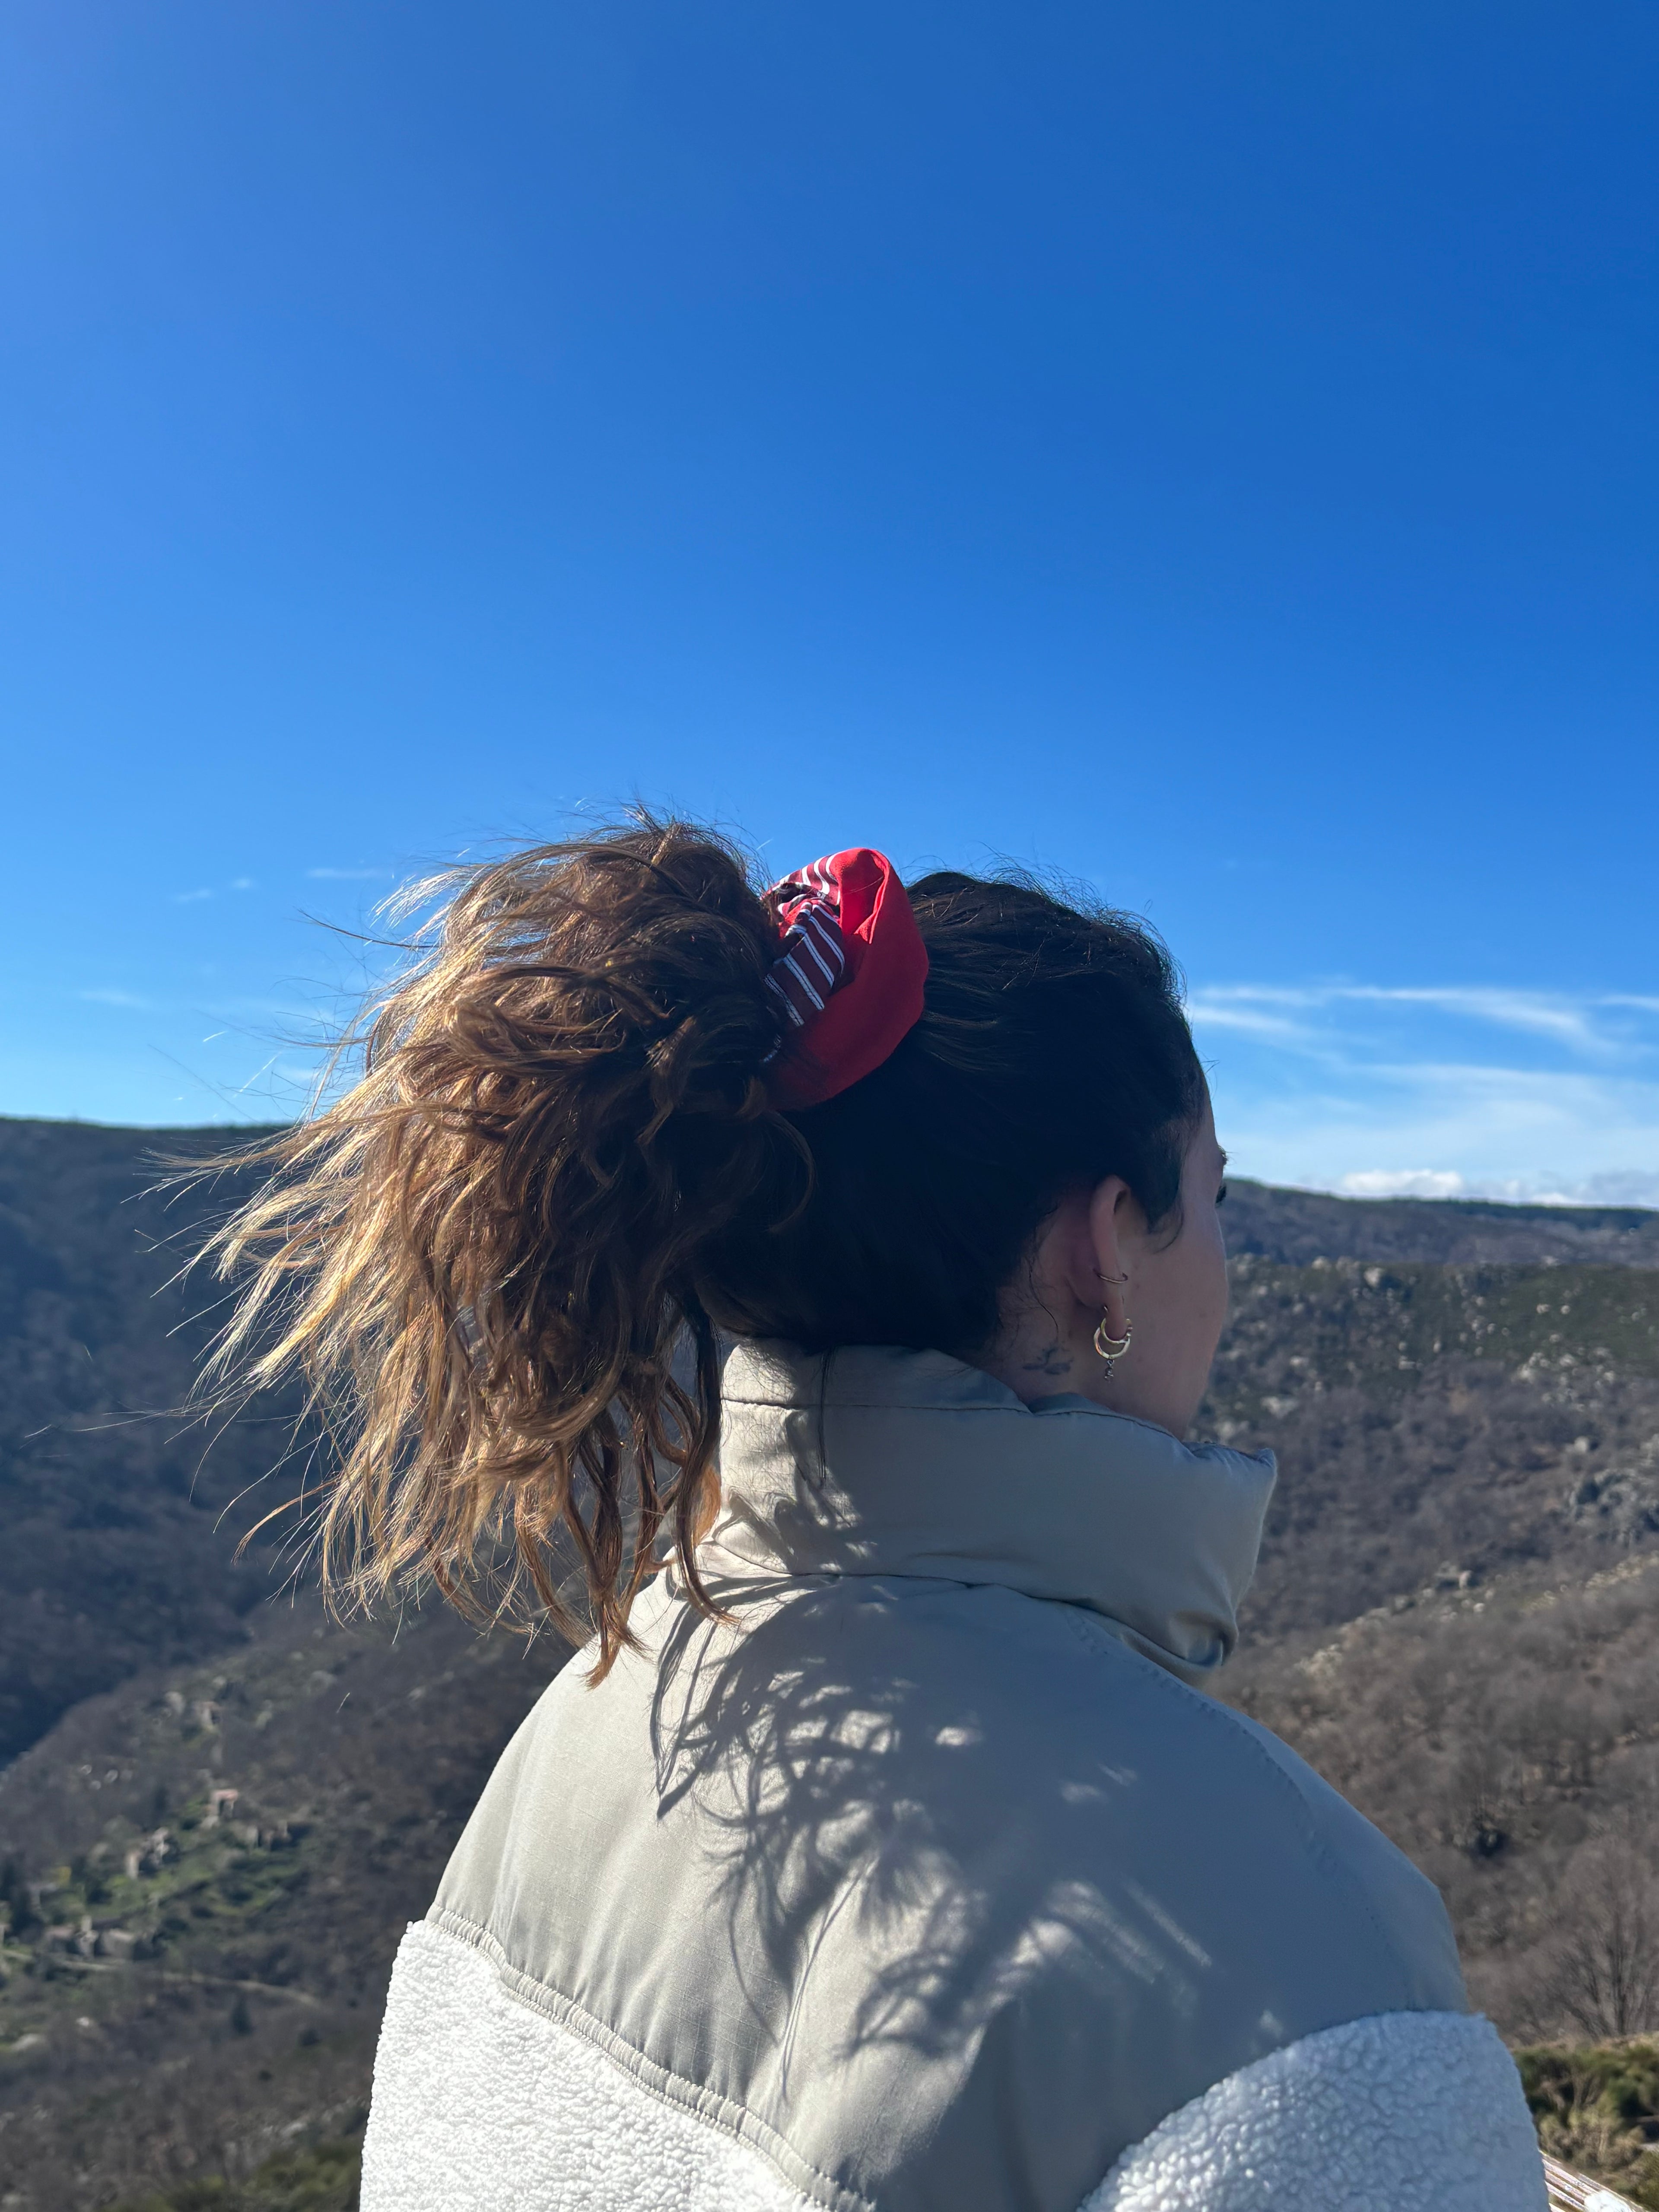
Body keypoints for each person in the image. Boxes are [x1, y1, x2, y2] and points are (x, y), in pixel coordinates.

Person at [212, 821, 1547, 2210]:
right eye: (1211, 1194)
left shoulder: (605, 1703)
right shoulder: (1310, 1975)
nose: (1225, 1255)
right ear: (1102, 1253)